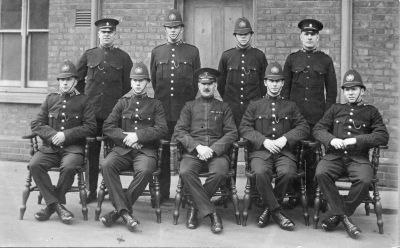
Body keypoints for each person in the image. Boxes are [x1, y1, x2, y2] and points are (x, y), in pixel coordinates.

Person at [313, 69, 389, 239]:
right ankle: (345, 218)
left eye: (354, 89)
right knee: (321, 172)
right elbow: (318, 129)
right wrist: (331, 140)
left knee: (364, 180)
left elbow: (383, 136)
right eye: (347, 89)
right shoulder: (335, 109)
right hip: (335, 156)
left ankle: (338, 215)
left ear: (362, 90)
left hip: (358, 158)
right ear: (344, 92)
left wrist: (357, 140)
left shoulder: (371, 111)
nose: (351, 93)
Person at [239, 62, 309, 231]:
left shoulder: (291, 106)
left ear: (283, 83)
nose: (275, 84)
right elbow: (244, 128)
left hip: (284, 153)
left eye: (278, 81)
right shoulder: (255, 105)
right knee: (260, 172)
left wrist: (285, 139)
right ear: (265, 83)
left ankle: (268, 210)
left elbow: (304, 127)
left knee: (288, 173)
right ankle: (277, 211)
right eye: (271, 81)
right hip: (261, 152)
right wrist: (264, 141)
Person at [99, 62, 168, 232]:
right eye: (135, 80)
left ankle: (117, 212)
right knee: (107, 165)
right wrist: (126, 138)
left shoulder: (156, 105)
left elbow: (162, 129)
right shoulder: (122, 103)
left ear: (147, 83)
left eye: (142, 80)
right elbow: (107, 126)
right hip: (122, 149)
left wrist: (138, 136)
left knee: (145, 171)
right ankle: (125, 213)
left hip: (145, 151)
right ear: (130, 83)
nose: (138, 84)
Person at [29, 60, 96, 224]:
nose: (64, 83)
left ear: (75, 81)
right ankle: (57, 206)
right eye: (62, 80)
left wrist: (66, 135)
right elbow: (36, 124)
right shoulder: (51, 99)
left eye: (68, 79)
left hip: (73, 149)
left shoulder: (84, 101)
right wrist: (53, 135)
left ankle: (50, 206)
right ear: (59, 81)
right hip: (50, 148)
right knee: (34, 165)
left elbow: (90, 127)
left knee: (69, 167)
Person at [172, 68, 238, 234]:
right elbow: (179, 131)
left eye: (210, 84)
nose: (206, 87)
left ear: (215, 85)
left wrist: (214, 150)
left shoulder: (224, 107)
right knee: (185, 171)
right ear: (198, 85)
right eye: (203, 84)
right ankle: (213, 213)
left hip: (217, 154)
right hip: (194, 152)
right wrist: (197, 147)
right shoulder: (189, 106)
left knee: (220, 173)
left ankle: (194, 208)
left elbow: (232, 132)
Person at [76, 18, 133, 202]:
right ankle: (92, 191)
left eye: (110, 32)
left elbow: (126, 85)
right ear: (98, 34)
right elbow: (77, 79)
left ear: (115, 34)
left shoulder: (123, 57)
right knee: (92, 154)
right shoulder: (89, 55)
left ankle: (111, 190)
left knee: (113, 154)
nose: (106, 35)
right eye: (103, 32)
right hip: (92, 115)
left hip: (113, 115)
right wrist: (87, 99)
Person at [282, 19, 338, 203]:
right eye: (306, 34)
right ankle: (294, 194)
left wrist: (326, 118)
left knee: (313, 157)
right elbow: (285, 90)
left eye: (313, 34)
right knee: (292, 154)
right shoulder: (292, 59)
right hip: (295, 118)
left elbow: (331, 92)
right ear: (300, 36)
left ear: (317, 37)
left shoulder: (325, 60)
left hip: (317, 117)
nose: (309, 37)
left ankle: (314, 194)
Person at [150, 9, 201, 202]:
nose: (173, 31)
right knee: (161, 152)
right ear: (165, 29)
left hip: (184, 112)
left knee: (186, 152)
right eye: (169, 27)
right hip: (162, 112)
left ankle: (186, 194)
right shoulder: (157, 52)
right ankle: (162, 193)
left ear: (182, 29)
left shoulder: (192, 51)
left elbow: (196, 82)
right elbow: (155, 82)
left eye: (176, 27)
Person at [217, 17, 268, 126]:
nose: (243, 37)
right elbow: (220, 84)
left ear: (251, 35)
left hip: (253, 107)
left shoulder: (259, 56)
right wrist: (229, 101)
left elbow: (264, 84)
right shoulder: (227, 56)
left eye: (246, 34)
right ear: (235, 35)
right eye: (240, 34)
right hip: (232, 108)